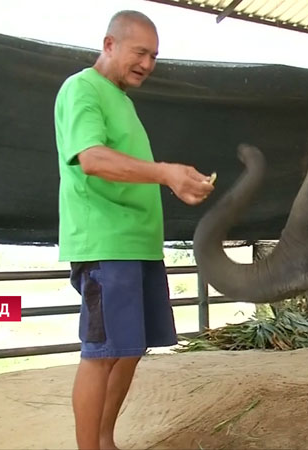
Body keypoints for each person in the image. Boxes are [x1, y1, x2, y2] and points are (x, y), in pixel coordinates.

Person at [53, 10, 214, 450]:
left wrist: (174, 181)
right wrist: (165, 173)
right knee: (101, 353)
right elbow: (93, 159)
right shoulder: (82, 89)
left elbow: (130, 169)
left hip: (139, 245)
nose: (147, 63)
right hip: (106, 242)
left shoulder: (121, 100)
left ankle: (105, 441)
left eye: (154, 56)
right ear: (110, 45)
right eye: (140, 52)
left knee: (130, 347)